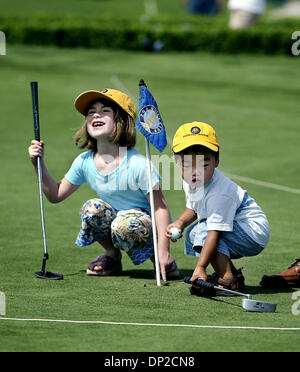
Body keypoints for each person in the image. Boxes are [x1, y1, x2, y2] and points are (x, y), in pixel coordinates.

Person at [28, 88, 179, 281]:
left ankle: (158, 258)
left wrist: (164, 250)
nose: (96, 114)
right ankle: (112, 256)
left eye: (105, 110)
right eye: (91, 112)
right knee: (92, 208)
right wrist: (37, 163)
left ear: (122, 121)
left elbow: (160, 208)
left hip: (146, 226)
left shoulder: (138, 164)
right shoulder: (84, 161)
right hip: (117, 222)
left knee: (125, 224)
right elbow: (55, 194)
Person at [166, 121, 270, 295]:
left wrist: (200, 267)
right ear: (177, 163)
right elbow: (194, 207)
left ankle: (229, 280)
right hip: (239, 228)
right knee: (194, 233)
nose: (195, 171)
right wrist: (180, 223)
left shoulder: (219, 193)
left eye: (204, 164)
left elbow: (213, 232)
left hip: (252, 232)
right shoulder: (193, 182)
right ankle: (230, 273)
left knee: (203, 232)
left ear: (217, 161)